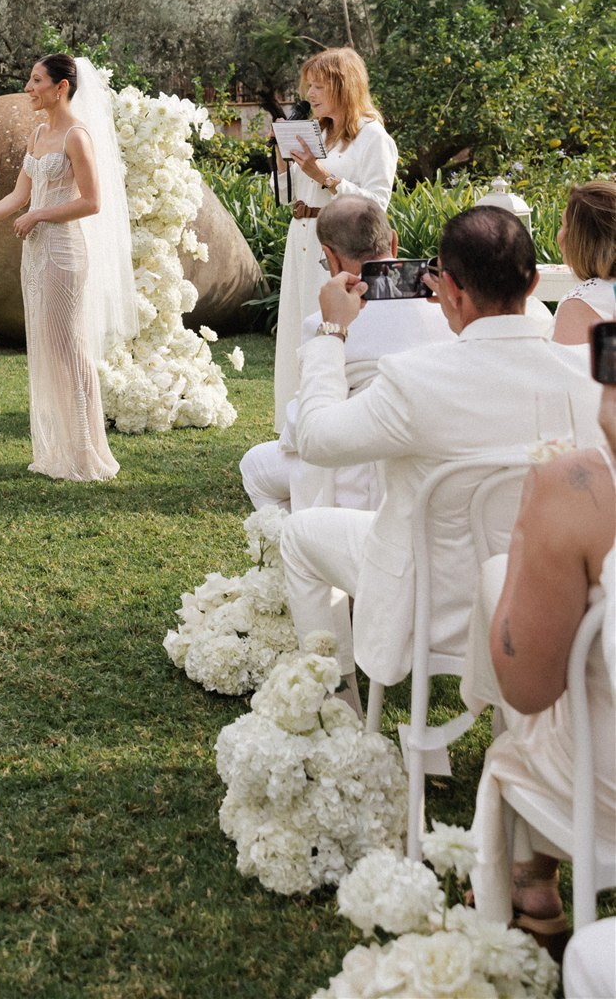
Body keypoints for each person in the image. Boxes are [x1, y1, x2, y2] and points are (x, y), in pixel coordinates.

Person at [279, 205, 601, 699]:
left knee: (299, 534)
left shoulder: (415, 380)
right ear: (535, 283)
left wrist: (332, 333)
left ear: (448, 286)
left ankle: (336, 704)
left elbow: (318, 440)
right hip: (543, 598)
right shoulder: (588, 375)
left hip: (431, 607)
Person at [468, 369, 616, 949]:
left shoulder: (581, 485)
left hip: (604, 783)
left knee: (529, 691)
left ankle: (529, 875)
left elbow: (530, 688)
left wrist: (531, 527)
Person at [0, 53, 133, 482]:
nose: (28, 88)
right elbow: (18, 196)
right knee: (49, 349)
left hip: (64, 252)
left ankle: (87, 454)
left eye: (36, 81)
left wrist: (39, 215)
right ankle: (59, 449)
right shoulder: (36, 134)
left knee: (71, 349)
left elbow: (92, 201)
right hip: (35, 255)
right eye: (29, 80)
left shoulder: (77, 136)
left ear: (61, 86)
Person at [239, 194, 449, 516]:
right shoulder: (447, 311)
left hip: (352, 473)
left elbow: (306, 424)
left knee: (254, 466)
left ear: (330, 258)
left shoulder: (325, 325)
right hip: (432, 463)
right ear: (393, 243)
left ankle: (299, 543)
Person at [272, 47, 398, 433]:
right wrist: (283, 166)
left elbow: (377, 202)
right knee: (297, 327)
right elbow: (289, 197)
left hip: (339, 246)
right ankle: (293, 428)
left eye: (319, 86)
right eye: (308, 86)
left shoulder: (372, 137)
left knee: (325, 326)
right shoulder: (318, 133)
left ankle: (333, 423)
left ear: (344, 86)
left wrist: (324, 175)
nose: (310, 94)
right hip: (302, 236)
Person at [553, 177, 616, 349]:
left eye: (563, 225)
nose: (559, 235)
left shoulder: (581, 303)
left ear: (583, 241)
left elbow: (569, 373)